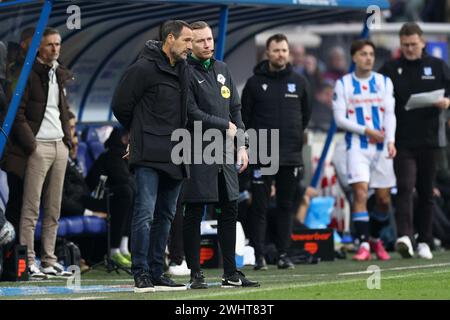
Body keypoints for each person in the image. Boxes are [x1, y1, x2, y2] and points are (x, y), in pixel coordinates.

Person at [112, 20, 193, 293]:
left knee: (166, 215)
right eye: (187, 41)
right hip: (148, 151)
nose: (190, 47)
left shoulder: (183, 69)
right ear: (170, 38)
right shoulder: (143, 68)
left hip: (176, 152)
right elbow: (120, 106)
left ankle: (158, 272)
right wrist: (138, 132)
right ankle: (141, 274)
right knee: (144, 213)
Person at [182, 21, 259, 289]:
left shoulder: (222, 68)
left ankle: (231, 273)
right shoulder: (185, 71)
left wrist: (243, 144)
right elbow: (191, 113)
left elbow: (235, 110)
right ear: (189, 44)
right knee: (194, 209)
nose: (207, 44)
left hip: (226, 151)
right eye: (201, 40)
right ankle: (195, 273)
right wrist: (223, 125)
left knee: (229, 209)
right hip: (195, 149)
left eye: (210, 39)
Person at [379, 22, 450, 260]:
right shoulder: (390, 68)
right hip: (402, 141)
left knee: (426, 192)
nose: (409, 49)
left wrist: (447, 102)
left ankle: (425, 240)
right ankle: (405, 237)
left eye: (413, 44)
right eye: (405, 45)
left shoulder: (438, 66)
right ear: (400, 45)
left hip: (431, 140)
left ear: (422, 43)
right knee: (406, 188)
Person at [242, 34, 311, 271]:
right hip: (262, 153)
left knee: (286, 206)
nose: (280, 54)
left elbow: (305, 116)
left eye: (284, 50)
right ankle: (259, 255)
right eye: (276, 50)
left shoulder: (300, 82)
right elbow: (245, 119)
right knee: (259, 206)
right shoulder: (253, 83)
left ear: (288, 53)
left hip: (290, 155)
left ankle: (283, 254)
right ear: (267, 53)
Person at [10, 27, 73, 279]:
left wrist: (68, 141)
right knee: (31, 208)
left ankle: (49, 259)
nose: (55, 49)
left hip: (59, 145)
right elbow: (18, 113)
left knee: (53, 208)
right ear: (38, 47)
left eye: (58, 44)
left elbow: (63, 109)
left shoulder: (58, 72)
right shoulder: (28, 74)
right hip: (39, 147)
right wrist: (32, 145)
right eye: (50, 45)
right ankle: (29, 261)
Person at [333, 39, 397, 261]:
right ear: (354, 57)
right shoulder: (343, 84)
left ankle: (375, 240)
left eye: (370, 54)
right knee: (360, 192)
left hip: (381, 148)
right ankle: (362, 245)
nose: (368, 58)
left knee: (383, 200)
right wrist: (366, 130)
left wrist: (391, 140)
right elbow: (340, 119)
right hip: (357, 147)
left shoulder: (384, 82)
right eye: (363, 54)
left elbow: (390, 113)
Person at [1, 27, 35, 238]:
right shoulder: (17, 74)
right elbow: (14, 107)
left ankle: (15, 254)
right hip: (15, 143)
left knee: (22, 198)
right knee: (16, 197)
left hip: (14, 142)